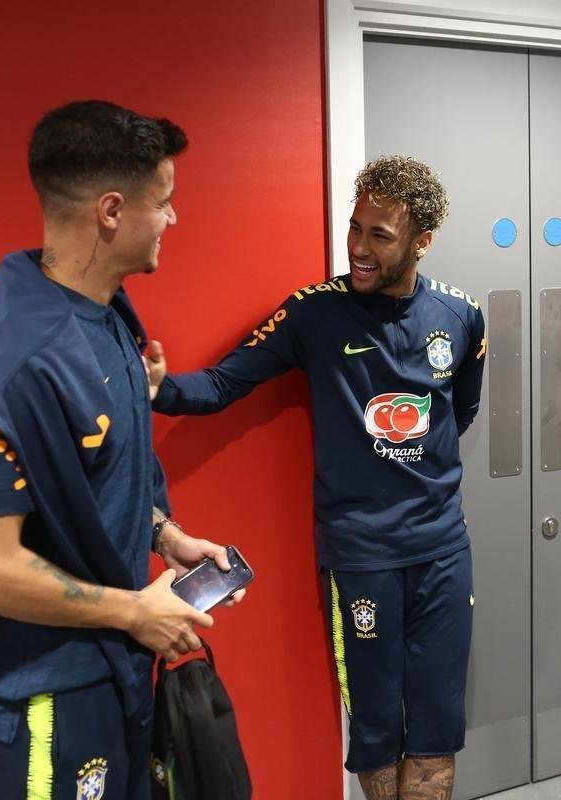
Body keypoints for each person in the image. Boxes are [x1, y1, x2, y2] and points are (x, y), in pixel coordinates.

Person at [0, 99, 243, 800]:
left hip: (111, 672)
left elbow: (93, 480)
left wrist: (166, 534)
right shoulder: (25, 365)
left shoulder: (107, 316)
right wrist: (134, 611)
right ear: (110, 211)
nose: (172, 219)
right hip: (48, 698)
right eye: (162, 202)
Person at [148, 155, 486, 800]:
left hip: (443, 551)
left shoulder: (461, 315)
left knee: (437, 734)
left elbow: (458, 412)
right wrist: (161, 389)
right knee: (377, 735)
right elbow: (223, 383)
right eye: (355, 228)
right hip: (360, 556)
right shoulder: (314, 313)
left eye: (379, 235)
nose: (358, 247)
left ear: (421, 241)